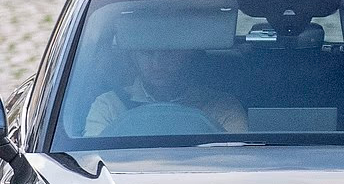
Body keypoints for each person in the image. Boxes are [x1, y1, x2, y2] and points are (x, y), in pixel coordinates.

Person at [84, 49, 247, 136]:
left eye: (169, 51)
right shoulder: (109, 105)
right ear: (133, 56)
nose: (157, 63)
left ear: (189, 54)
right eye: (147, 52)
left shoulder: (223, 107)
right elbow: (92, 160)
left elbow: (236, 161)